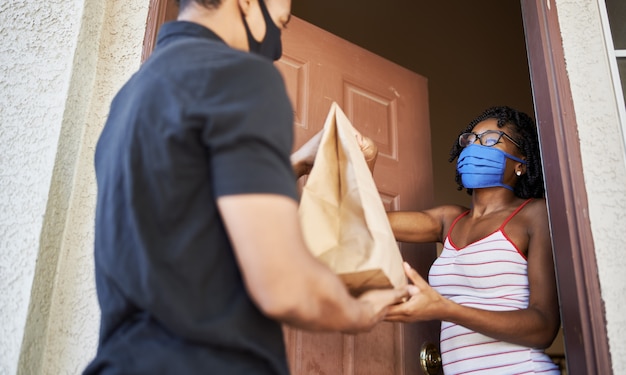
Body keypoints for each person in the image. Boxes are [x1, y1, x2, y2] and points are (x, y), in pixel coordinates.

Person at [85, 0, 408, 373]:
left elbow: (192, 207)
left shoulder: (129, 99)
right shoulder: (241, 75)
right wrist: (362, 311)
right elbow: (282, 284)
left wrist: (300, 161)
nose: (277, 45)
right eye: (282, 24)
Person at [381, 106, 561, 374]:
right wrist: (367, 159)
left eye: (490, 140)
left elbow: (544, 327)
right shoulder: (448, 219)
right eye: (471, 140)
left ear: (521, 163)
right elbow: (367, 221)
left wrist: (447, 309)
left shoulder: (535, 214)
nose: (476, 147)